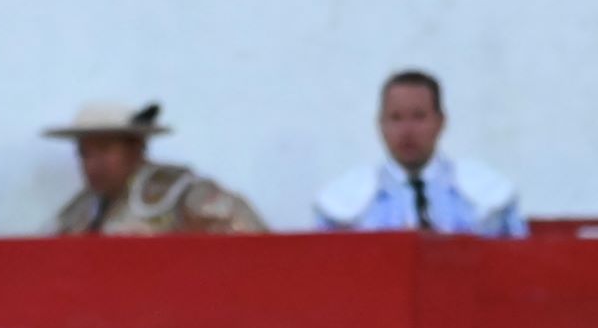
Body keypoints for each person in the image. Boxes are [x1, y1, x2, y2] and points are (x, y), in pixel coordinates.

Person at [314, 70, 527, 236]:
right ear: (380, 124)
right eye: (396, 118)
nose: (407, 130)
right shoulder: (344, 203)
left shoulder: (489, 195)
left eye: (419, 117)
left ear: (441, 121)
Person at [45, 101, 265, 235]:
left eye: (104, 150)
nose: (92, 163)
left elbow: (254, 248)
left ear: (136, 148)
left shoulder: (185, 194)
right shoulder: (79, 212)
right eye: (84, 153)